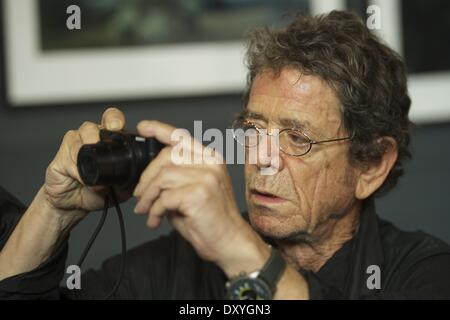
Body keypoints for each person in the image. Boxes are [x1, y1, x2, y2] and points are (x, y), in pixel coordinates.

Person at [1, 11, 450, 300]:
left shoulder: (422, 274)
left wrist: (236, 246)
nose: (262, 158)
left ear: (371, 165)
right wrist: (53, 211)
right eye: (253, 130)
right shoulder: (176, 266)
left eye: (298, 139)